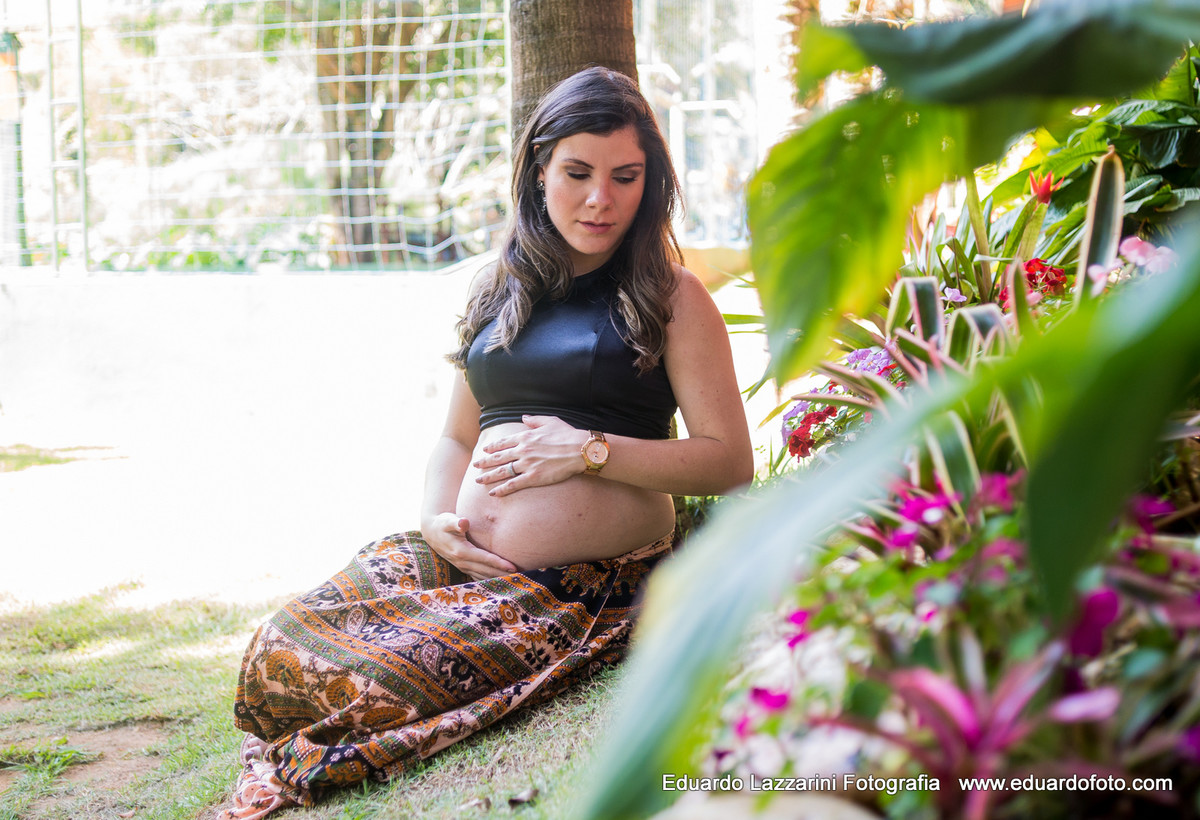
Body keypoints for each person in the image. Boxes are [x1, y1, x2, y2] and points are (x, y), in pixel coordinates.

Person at [219, 66, 753, 818]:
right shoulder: (497, 288)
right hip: (460, 561)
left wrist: (587, 450)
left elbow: (730, 460)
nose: (601, 199)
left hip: (582, 585)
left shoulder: (671, 297)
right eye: (577, 173)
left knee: (378, 685)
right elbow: (454, 438)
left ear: (649, 183)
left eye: (625, 177)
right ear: (538, 172)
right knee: (282, 648)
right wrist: (439, 520)